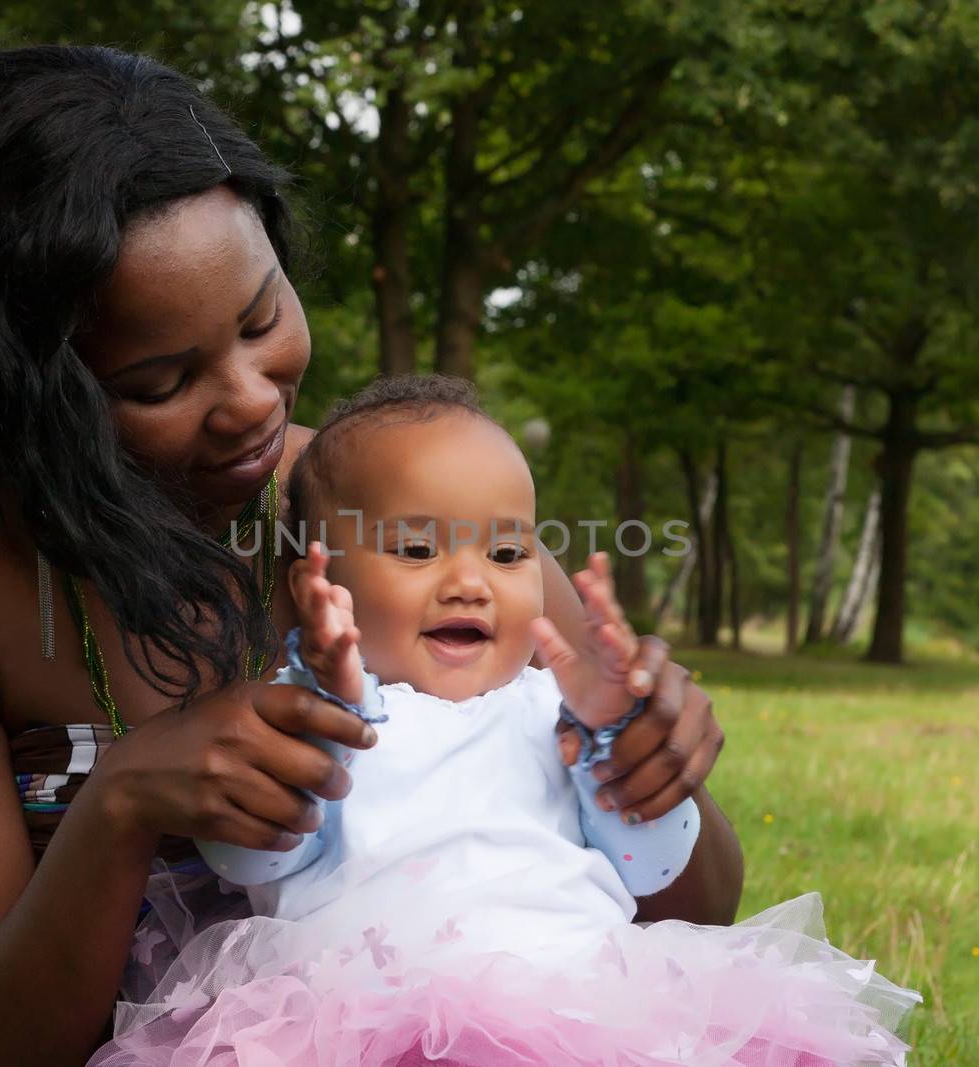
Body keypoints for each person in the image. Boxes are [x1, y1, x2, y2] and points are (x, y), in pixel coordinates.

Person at [0, 44, 740, 1065]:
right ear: (29, 397)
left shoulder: (402, 509)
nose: (254, 399)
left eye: (263, 318)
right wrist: (122, 806)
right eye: (160, 381)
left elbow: (691, 916)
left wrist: (653, 766)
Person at [88, 377, 918, 1066]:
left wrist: (615, 743)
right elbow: (246, 854)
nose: (470, 582)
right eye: (417, 551)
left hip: (587, 1005)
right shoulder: (313, 712)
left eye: (508, 552)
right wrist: (323, 708)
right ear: (320, 581)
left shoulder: (553, 712)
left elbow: (651, 868)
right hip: (367, 1023)